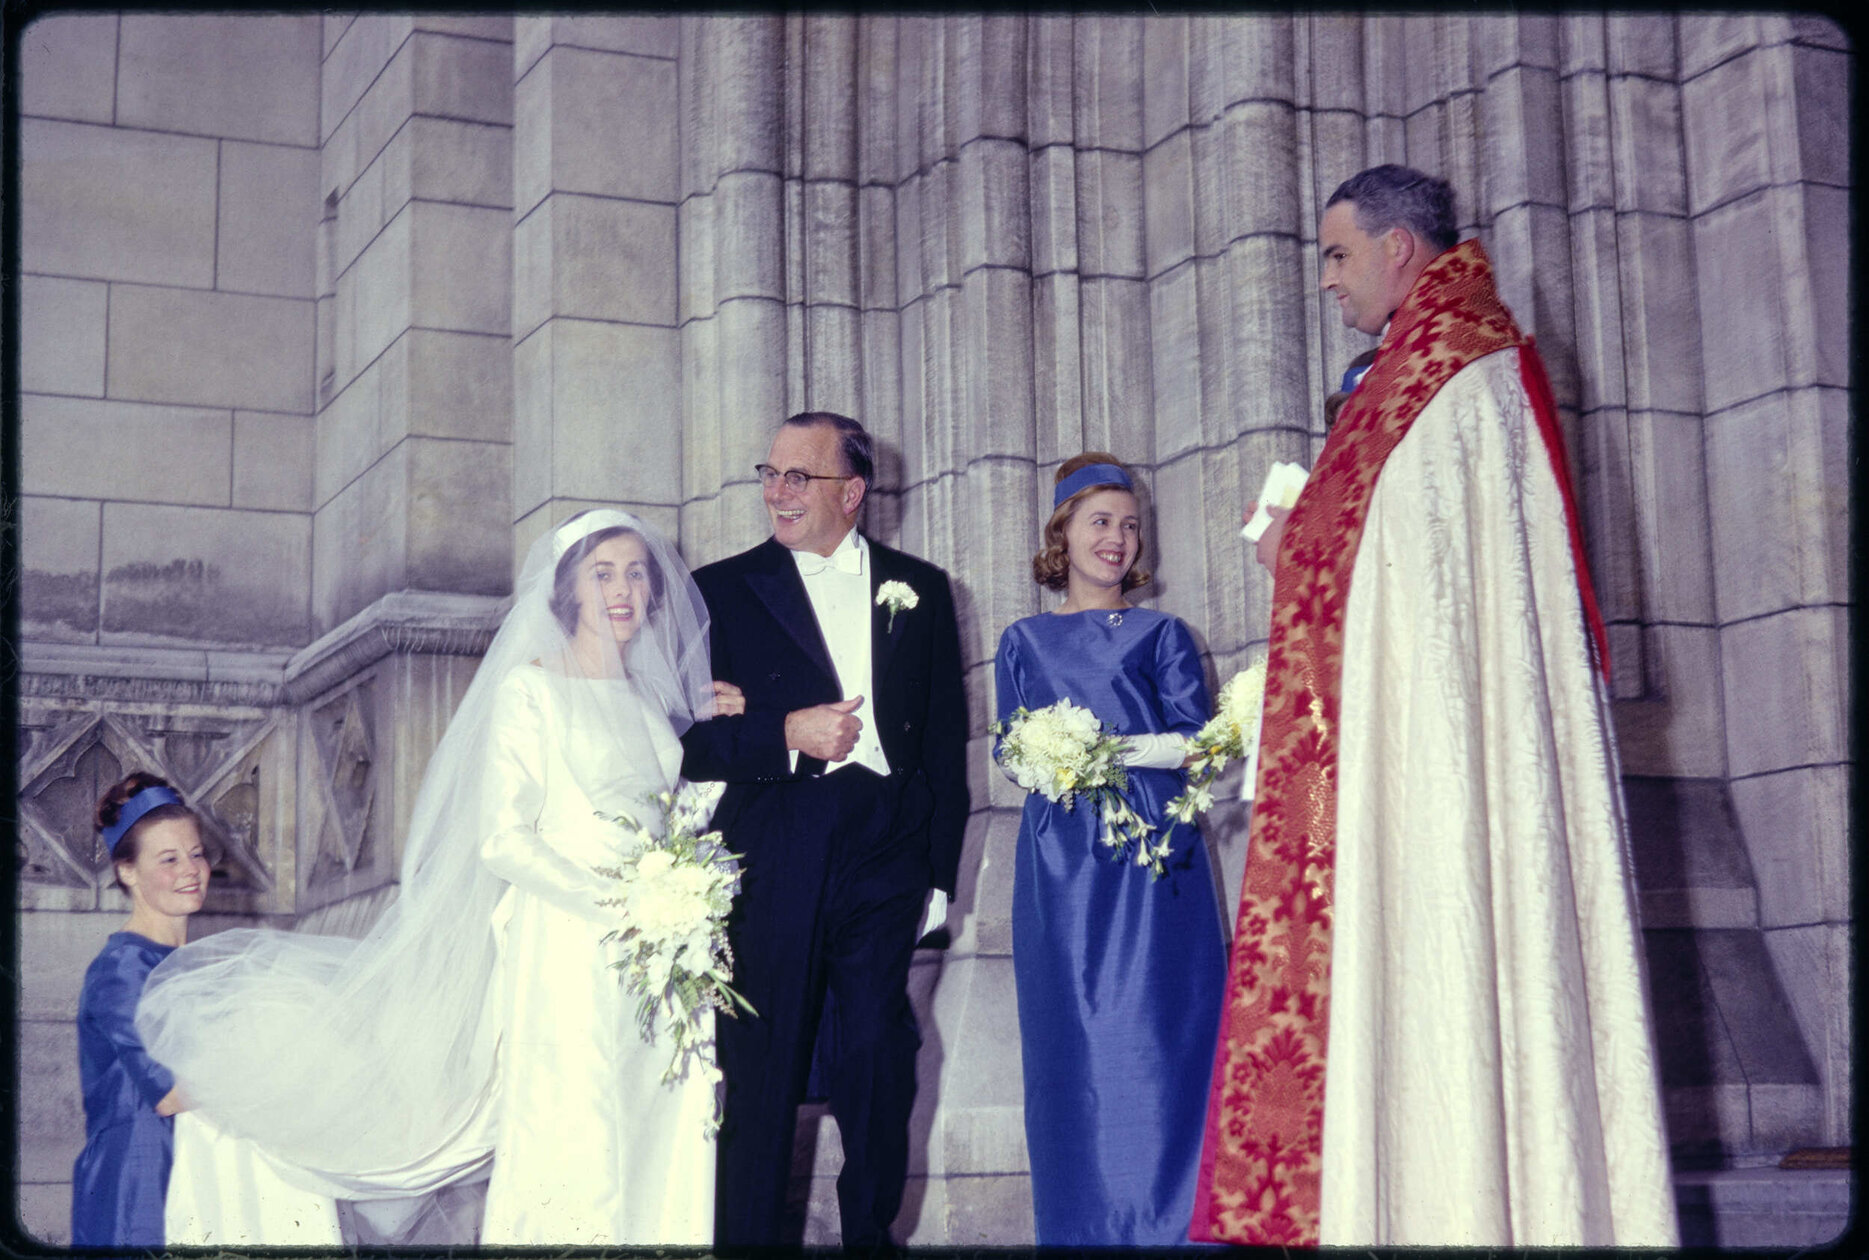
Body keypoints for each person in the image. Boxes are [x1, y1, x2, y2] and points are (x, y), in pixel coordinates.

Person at [1192, 165, 1678, 1247]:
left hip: (1450, 770)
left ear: (1399, 248)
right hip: (1411, 756)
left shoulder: (1456, 371)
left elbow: (1416, 565)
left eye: (1336, 253)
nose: (1326, 280)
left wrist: (1297, 545)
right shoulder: (1424, 368)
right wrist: (1310, 539)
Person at [137, 510, 738, 1246]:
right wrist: (622, 903)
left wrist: (682, 889)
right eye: (602, 573)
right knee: (576, 1122)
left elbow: (668, 817)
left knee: (659, 1116)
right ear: (568, 592)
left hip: (655, 960)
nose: (622, 590)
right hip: (567, 947)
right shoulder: (531, 692)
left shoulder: (648, 708)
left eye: (636, 573)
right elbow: (503, 841)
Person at [678, 411, 969, 1250]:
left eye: (797, 477)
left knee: (880, 1049)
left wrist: (936, 878)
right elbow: (687, 739)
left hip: (887, 845)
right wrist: (784, 731)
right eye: (767, 474)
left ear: (852, 491)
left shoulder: (922, 585)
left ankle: (868, 1238)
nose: (776, 492)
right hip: (774, 841)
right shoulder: (719, 589)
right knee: (762, 1063)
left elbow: (943, 740)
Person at [992, 454, 1226, 1246]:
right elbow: (1009, 748)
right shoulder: (1022, 639)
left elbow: (1197, 742)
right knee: (1075, 1033)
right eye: (1100, 522)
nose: (1117, 540)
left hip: (1156, 854)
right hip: (1061, 862)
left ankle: (1175, 1224)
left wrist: (1107, 750)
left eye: (1129, 526)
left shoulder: (1164, 634)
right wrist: (1046, 755)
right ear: (1062, 531)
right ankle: (1083, 1225)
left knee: (1159, 1029)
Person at [70, 773, 209, 1248]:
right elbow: (168, 1093)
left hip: (198, 1171)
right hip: (138, 1188)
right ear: (127, 871)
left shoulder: (198, 967)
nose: (190, 870)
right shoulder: (121, 971)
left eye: (196, 854)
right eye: (168, 859)